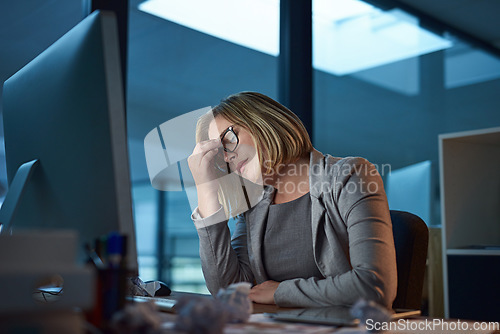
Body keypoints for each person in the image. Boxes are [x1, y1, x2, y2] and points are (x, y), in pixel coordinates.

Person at [188, 92, 397, 308]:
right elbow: (228, 290)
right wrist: (207, 192)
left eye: (228, 139)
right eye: (219, 154)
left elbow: (374, 286)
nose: (227, 157)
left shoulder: (350, 175)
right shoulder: (254, 203)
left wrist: (281, 292)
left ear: (263, 122)